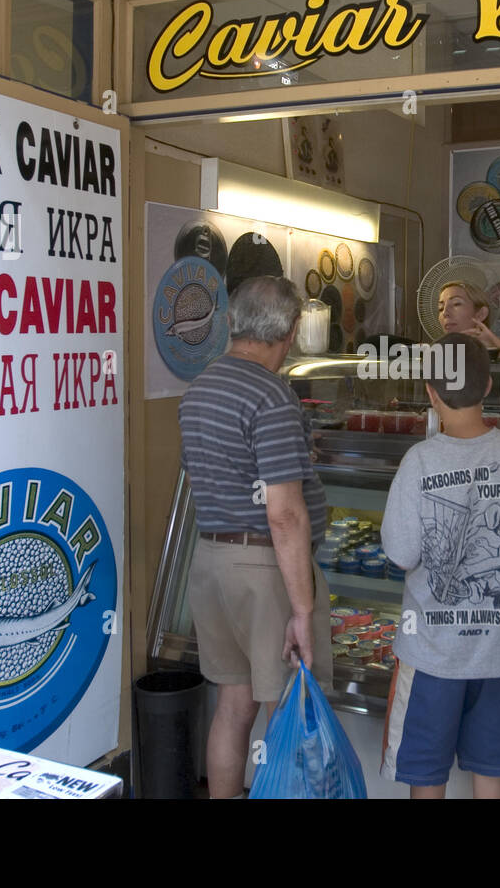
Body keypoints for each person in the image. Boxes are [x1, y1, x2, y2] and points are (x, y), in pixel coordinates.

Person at [379, 333, 500, 798]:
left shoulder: (419, 461)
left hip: (431, 658)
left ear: (430, 391)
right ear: (487, 387)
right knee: (491, 769)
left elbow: (401, 555)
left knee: (427, 775)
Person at [178, 275, 334, 798]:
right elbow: (284, 515)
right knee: (289, 713)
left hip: (210, 563)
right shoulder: (271, 396)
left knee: (232, 706)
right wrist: (303, 612)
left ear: (230, 323)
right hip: (263, 571)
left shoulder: (199, 389)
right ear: (289, 333)